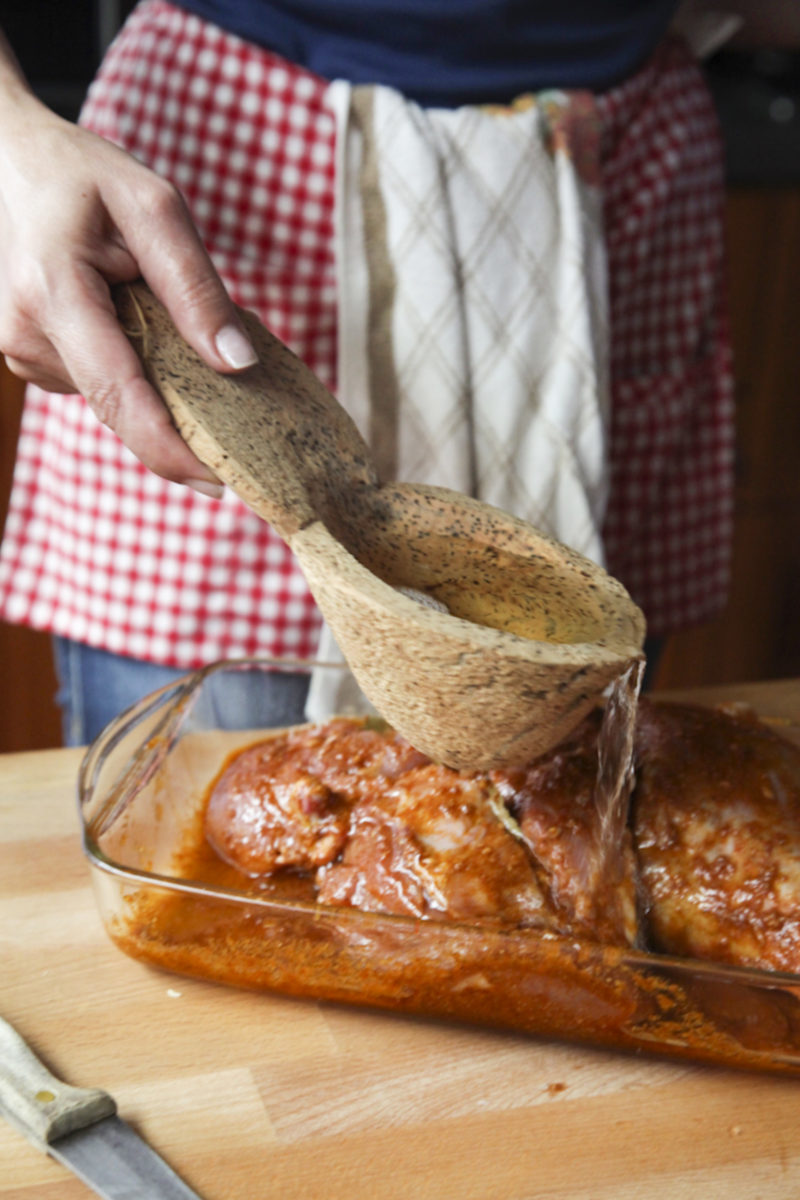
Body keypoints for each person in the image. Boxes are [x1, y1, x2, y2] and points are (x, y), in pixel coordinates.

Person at [0, 1, 790, 746]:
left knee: (572, 780)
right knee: (203, 818)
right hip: (233, 157)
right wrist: (11, 135)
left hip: (616, 157)